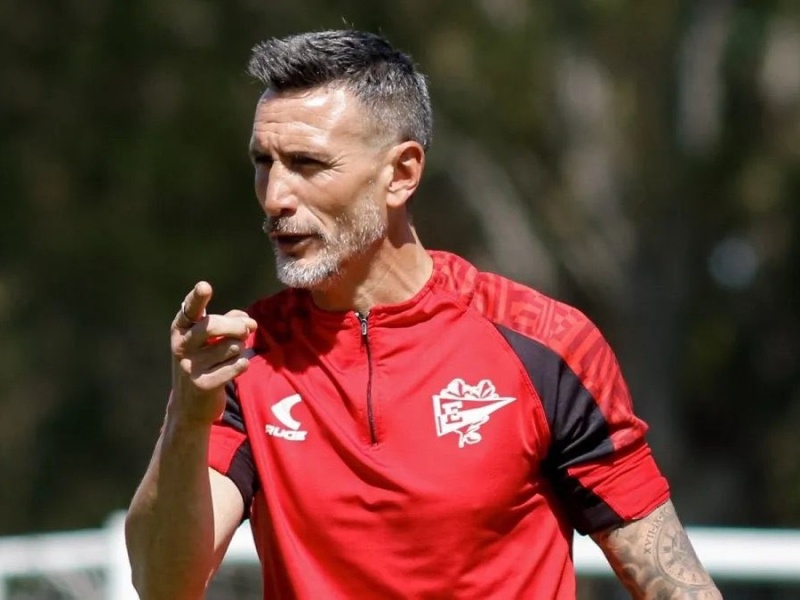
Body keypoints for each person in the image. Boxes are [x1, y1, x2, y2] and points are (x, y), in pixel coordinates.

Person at [125, 30, 722, 599]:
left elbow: (675, 584)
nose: (276, 195)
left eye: (307, 164)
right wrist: (186, 418)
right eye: (264, 161)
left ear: (402, 174)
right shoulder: (243, 361)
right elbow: (163, 585)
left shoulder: (545, 344)